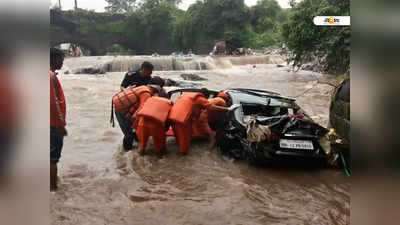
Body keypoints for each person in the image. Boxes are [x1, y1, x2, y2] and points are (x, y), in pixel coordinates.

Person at [169, 88, 232, 155]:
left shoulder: (187, 96)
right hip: (184, 120)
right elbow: (213, 108)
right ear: (206, 96)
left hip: (172, 116)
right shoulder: (202, 99)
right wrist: (228, 109)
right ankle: (183, 158)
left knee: (179, 138)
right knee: (185, 144)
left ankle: (176, 154)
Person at [115, 61, 154, 151]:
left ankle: (135, 151)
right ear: (144, 69)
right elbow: (122, 87)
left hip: (136, 106)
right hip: (125, 105)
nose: (151, 73)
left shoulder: (148, 78)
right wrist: (127, 91)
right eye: (150, 71)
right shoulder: (130, 75)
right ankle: (126, 153)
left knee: (136, 129)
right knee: (128, 133)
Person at [50, 47, 67, 191]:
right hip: (52, 124)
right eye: (61, 59)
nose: (62, 62)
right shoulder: (50, 76)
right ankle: (53, 189)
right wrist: (60, 124)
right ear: (54, 59)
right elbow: (53, 103)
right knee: (52, 158)